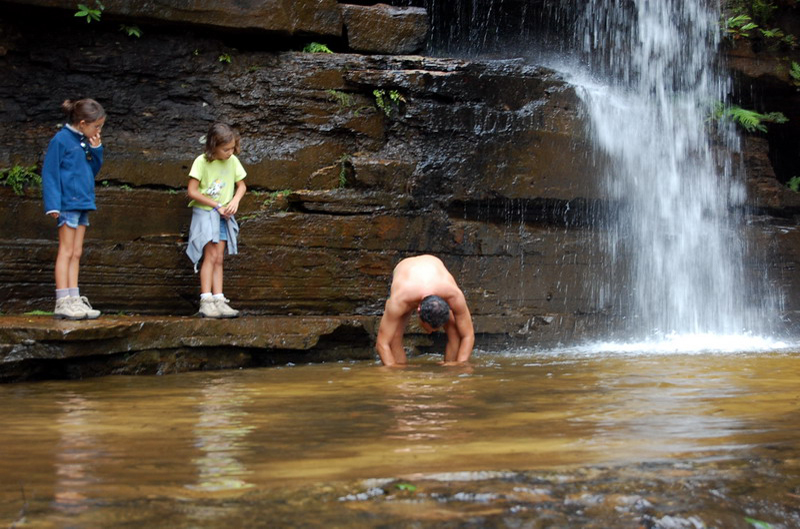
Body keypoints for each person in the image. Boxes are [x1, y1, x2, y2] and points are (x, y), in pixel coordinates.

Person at [42, 98, 106, 320]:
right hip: (68, 204)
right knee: (66, 251)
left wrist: (97, 149)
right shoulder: (61, 140)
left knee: (77, 252)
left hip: (83, 203)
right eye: (96, 126)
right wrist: (52, 204)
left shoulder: (85, 141)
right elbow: (50, 173)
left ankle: (74, 297)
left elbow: (92, 170)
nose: (98, 130)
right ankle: (63, 301)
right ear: (81, 123)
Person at [186, 122, 247, 318]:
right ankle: (206, 300)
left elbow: (242, 186)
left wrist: (235, 201)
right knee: (210, 256)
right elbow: (192, 191)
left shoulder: (233, 161)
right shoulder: (201, 162)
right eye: (226, 149)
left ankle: (219, 300)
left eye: (232, 148)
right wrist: (216, 205)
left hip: (224, 216)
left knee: (219, 257)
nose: (230, 152)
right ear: (213, 146)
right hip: (206, 214)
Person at [375, 254, 475, 366]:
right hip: (406, 270)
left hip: (432, 263)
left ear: (448, 305)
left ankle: (450, 368)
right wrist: (392, 369)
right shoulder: (399, 301)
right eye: (429, 329)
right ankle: (400, 369)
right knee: (395, 335)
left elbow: (468, 335)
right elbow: (382, 343)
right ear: (418, 310)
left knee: (454, 330)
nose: (430, 333)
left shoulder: (454, 296)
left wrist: (460, 365)